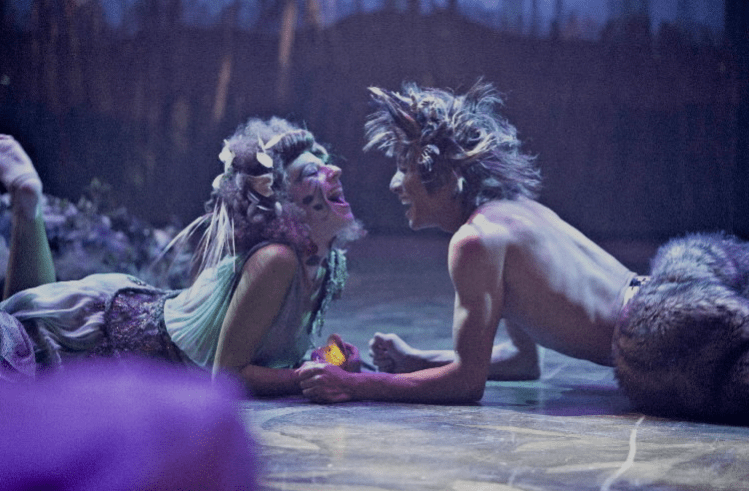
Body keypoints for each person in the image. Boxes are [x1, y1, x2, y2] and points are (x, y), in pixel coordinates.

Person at [296, 81, 749, 422]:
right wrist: (417, 359)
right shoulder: (516, 212)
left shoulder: (474, 242)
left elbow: (466, 384)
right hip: (676, 296)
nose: (396, 184)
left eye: (404, 167)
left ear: (446, 178)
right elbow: (523, 362)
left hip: (664, 336)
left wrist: (356, 383)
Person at [0, 117, 363, 396]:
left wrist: (328, 361)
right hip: (109, 338)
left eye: (326, 164)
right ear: (282, 203)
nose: (336, 171)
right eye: (312, 172)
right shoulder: (276, 260)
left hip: (136, 333)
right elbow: (229, 374)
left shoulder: (329, 265)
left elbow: (268, 355)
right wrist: (308, 378)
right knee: (21, 338)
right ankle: (27, 205)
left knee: (22, 331)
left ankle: (27, 208)